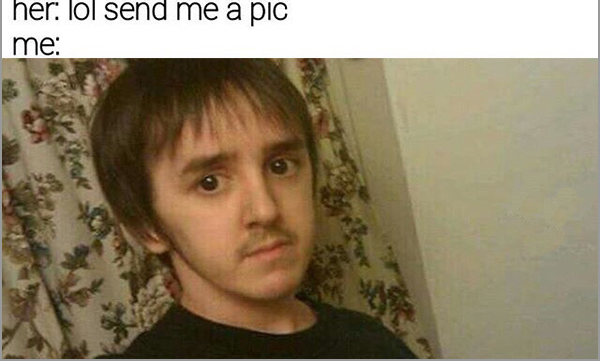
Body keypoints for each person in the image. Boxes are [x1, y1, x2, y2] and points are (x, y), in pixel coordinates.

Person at [90, 59, 416, 358]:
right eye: (210, 183)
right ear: (148, 226)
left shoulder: (370, 341)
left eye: (280, 166)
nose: (265, 210)